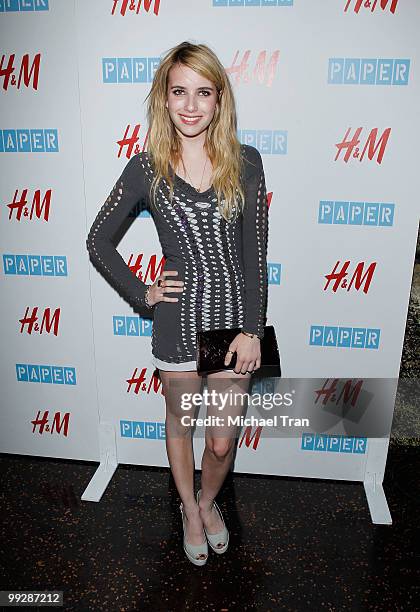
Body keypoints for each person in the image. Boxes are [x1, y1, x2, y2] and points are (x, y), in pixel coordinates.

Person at [86, 41, 269, 566]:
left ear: (219, 100)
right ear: (164, 99)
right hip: (175, 327)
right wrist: (142, 292)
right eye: (179, 91)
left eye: (203, 93)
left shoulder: (248, 163)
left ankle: (210, 502)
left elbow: (256, 257)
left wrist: (253, 330)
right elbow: (99, 240)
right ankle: (189, 509)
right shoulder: (146, 168)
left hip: (232, 329)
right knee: (179, 424)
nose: (191, 105)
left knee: (219, 443)